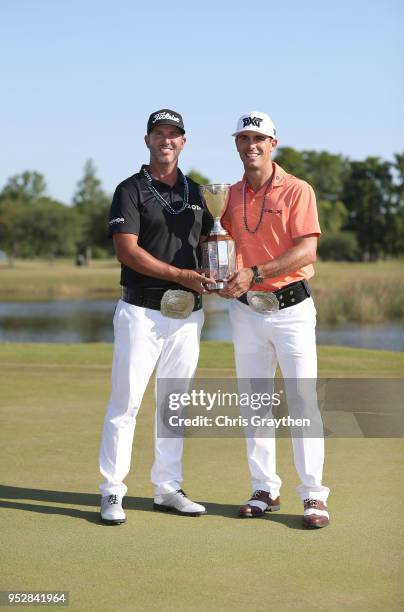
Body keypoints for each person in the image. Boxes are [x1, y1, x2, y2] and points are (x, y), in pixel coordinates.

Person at [99, 109, 213, 524]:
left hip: (188, 315)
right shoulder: (129, 190)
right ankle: (112, 491)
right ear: (147, 140)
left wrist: (216, 269)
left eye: (174, 134)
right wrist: (181, 274)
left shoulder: (200, 192)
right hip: (141, 312)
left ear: (184, 142)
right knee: (125, 404)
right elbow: (127, 250)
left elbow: (209, 243)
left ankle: (167, 488)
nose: (167, 140)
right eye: (159, 133)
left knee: (174, 406)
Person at [220, 111, 330, 528]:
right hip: (246, 311)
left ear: (273, 144)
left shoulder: (298, 190)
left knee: (302, 402)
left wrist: (256, 272)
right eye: (244, 138)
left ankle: (314, 495)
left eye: (259, 138)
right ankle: (264, 487)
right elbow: (223, 245)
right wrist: (224, 275)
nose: (252, 145)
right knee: (254, 404)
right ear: (236, 144)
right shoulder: (228, 195)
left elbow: (306, 251)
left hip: (292, 310)